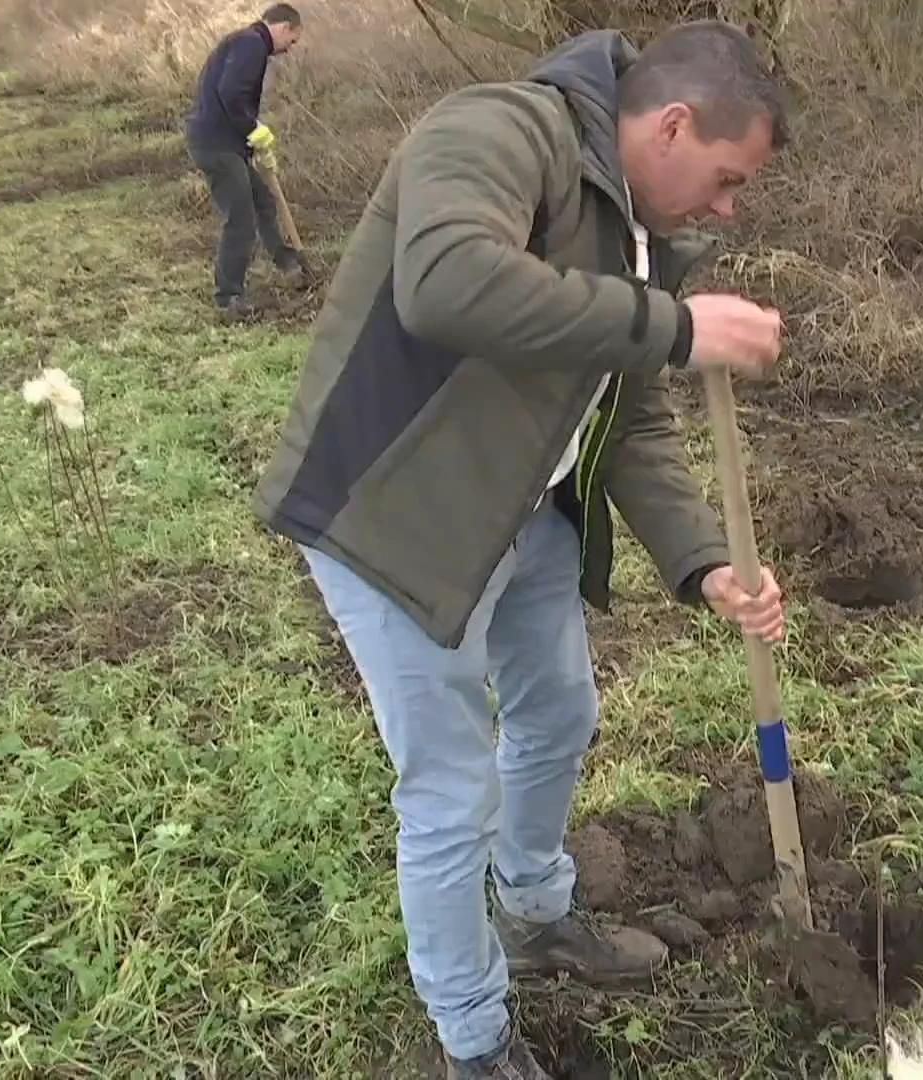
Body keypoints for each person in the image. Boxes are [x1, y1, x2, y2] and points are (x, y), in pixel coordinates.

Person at [249, 20, 791, 1079]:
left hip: (526, 511)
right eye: (726, 178)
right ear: (672, 123)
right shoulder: (497, 129)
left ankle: (537, 915)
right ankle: (473, 1038)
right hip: (395, 515)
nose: (728, 208)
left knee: (557, 712)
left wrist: (703, 560)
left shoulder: (644, 233)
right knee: (451, 788)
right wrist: (674, 327)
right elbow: (449, 283)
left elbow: (624, 419)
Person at [184, 3, 304, 320]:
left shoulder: (246, 43)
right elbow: (231, 94)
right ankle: (228, 297)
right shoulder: (251, 44)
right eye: (291, 41)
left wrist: (251, 142)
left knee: (262, 201)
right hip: (216, 145)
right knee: (241, 218)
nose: (289, 50)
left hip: (225, 142)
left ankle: (288, 262)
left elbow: (231, 97)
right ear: (284, 27)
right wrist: (254, 129)